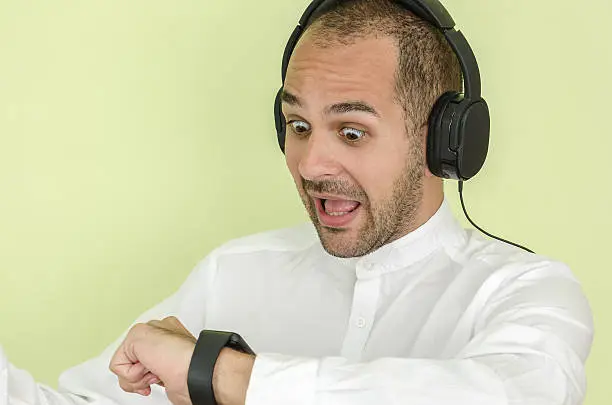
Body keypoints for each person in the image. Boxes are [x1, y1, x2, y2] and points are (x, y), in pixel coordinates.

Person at [0, 1, 594, 405]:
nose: (310, 164)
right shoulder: (234, 271)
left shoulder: (526, 292)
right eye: (298, 125)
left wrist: (222, 375)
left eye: (352, 132)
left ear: (442, 139)